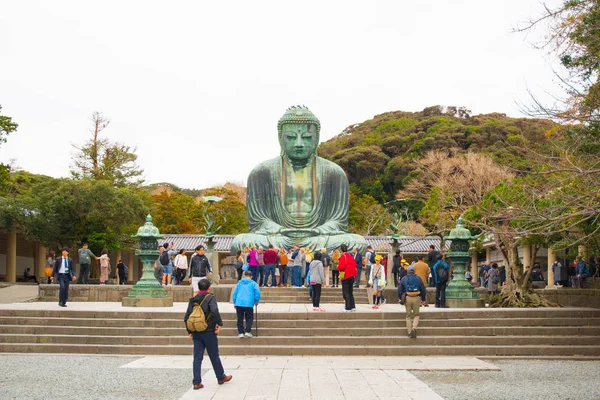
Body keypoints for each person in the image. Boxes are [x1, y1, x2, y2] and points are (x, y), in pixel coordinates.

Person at [230, 106, 367, 253]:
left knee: (358, 242)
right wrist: (281, 230)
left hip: (319, 236)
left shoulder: (334, 173)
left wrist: (318, 231)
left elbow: (338, 222)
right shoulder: (262, 172)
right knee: (241, 241)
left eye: (307, 137)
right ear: (280, 138)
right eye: (291, 137)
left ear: (317, 138)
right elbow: (259, 222)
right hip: (279, 236)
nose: (299, 143)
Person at [183, 279, 232, 390]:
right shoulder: (210, 298)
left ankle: (196, 382)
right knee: (214, 355)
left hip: (196, 332)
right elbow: (214, 311)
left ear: (199, 288)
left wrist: (190, 331)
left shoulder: (193, 299)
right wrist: (219, 324)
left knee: (197, 357)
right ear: (209, 288)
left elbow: (186, 317)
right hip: (209, 330)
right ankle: (220, 377)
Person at [398, 265, 427, 338]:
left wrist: (401, 298)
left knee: (408, 316)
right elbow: (423, 290)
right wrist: (423, 299)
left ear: (407, 271)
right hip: (416, 297)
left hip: (408, 297)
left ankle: (409, 331)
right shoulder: (418, 278)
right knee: (416, 315)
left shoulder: (404, 278)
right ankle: (414, 328)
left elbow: (399, 290)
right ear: (414, 271)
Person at [232, 270, 261, 338]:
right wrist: (256, 300)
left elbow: (235, 293)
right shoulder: (253, 283)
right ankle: (248, 331)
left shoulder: (239, 283)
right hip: (249, 302)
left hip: (239, 302)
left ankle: (241, 332)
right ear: (251, 276)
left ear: (244, 275)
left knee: (240, 318)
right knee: (249, 317)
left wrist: (235, 301)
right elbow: (257, 293)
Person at [338, 244, 357, 312]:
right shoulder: (350, 256)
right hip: (352, 275)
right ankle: (353, 306)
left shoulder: (343, 257)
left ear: (341, 250)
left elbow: (341, 267)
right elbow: (355, 264)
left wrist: (338, 267)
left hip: (346, 275)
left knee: (345, 292)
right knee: (350, 291)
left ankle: (348, 307)